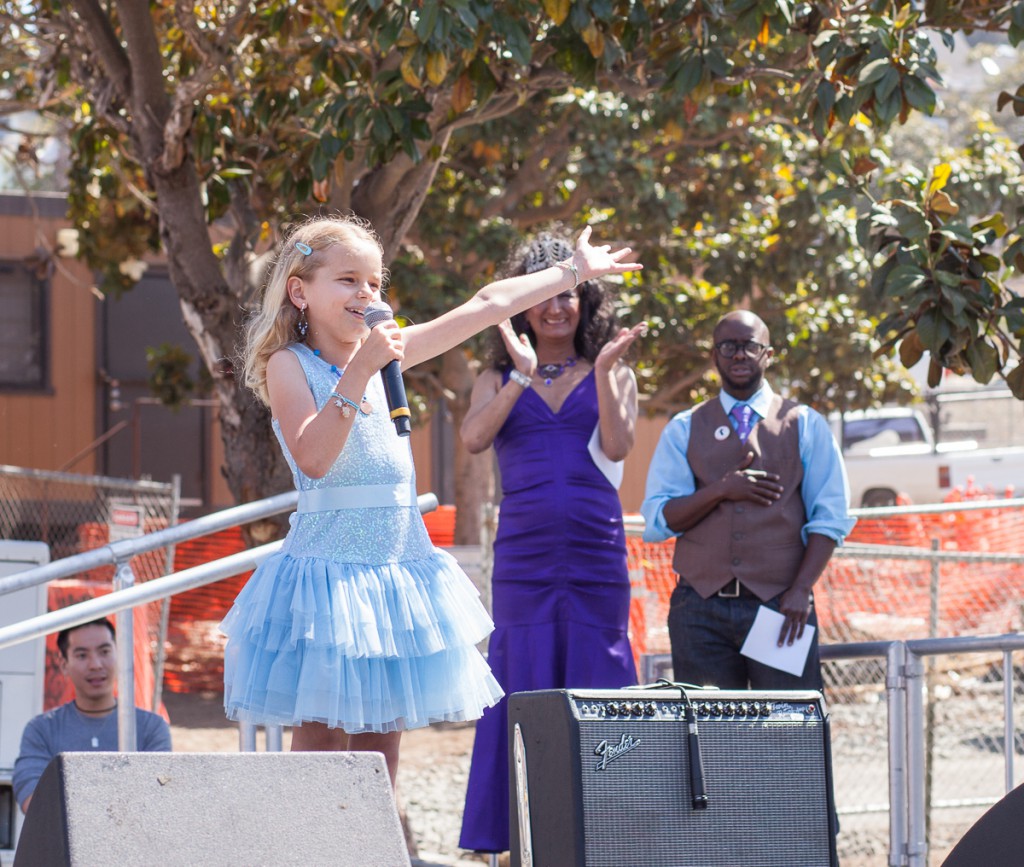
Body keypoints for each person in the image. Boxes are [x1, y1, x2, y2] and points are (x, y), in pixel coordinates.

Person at [220, 216, 641, 791]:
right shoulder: (291, 365)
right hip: (329, 578)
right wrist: (362, 369)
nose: (366, 294)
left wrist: (572, 271)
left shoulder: (391, 353)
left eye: (374, 282)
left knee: (379, 748)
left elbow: (488, 303)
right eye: (348, 279)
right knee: (320, 743)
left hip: (396, 575)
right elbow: (315, 458)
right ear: (300, 291)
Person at [458, 233, 646, 854]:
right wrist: (521, 378)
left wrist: (606, 373)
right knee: (522, 678)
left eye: (569, 295)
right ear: (525, 305)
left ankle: (610, 830)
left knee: (600, 679)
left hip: (596, 554)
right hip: (525, 557)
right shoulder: (495, 375)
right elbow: (474, 439)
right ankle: (514, 835)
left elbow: (618, 449)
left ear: (586, 301)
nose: (558, 309)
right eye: (546, 297)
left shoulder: (613, 368)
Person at [640, 310, 855, 690]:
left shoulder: (804, 423)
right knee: (710, 739)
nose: (739, 355)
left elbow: (830, 518)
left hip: (779, 606)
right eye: (728, 346)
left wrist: (801, 590)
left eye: (749, 346)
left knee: (788, 732)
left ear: (768, 354)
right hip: (699, 610)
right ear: (714, 356)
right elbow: (661, 520)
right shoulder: (684, 428)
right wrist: (722, 489)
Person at [12, 618, 172, 812]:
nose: (95, 664)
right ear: (63, 664)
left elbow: (160, 798)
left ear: (119, 655)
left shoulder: (151, 727)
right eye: (82, 655)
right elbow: (34, 803)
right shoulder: (41, 730)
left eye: (104, 652)